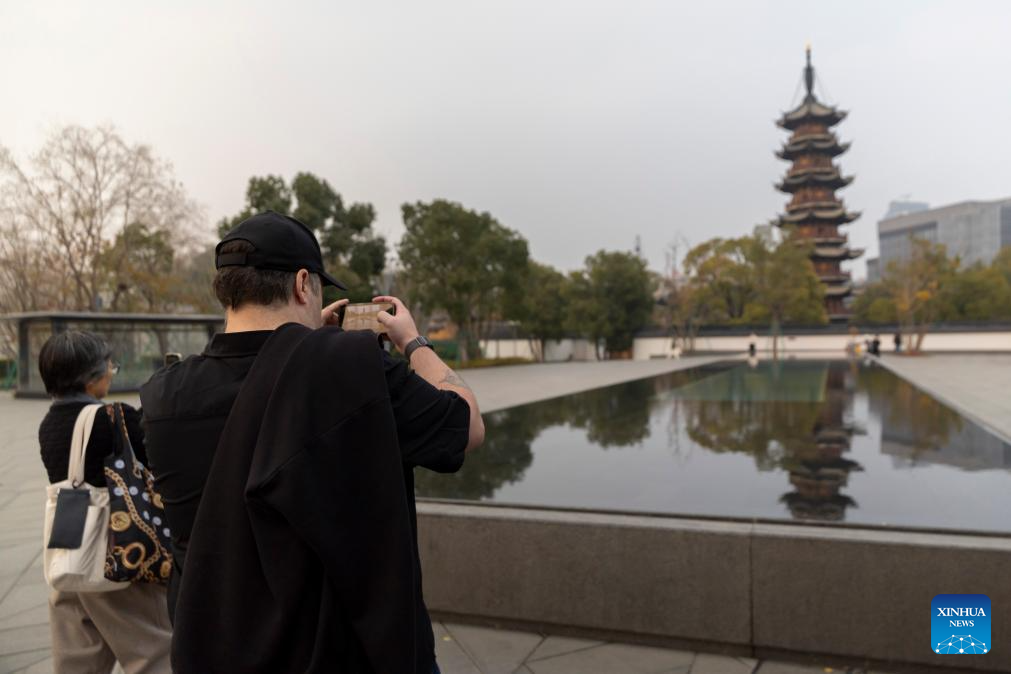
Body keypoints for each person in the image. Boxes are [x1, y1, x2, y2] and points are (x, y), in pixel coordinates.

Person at [140, 211, 484, 673]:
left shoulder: (164, 393)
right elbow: (464, 427)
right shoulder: (349, 368)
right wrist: (414, 342)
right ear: (304, 283)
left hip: (213, 648)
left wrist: (309, 347)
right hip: (335, 654)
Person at [37, 331, 172, 674]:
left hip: (70, 555)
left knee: (78, 659)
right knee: (153, 651)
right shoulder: (113, 418)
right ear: (92, 377)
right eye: (110, 366)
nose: (112, 372)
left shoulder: (48, 424)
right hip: (116, 557)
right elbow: (153, 450)